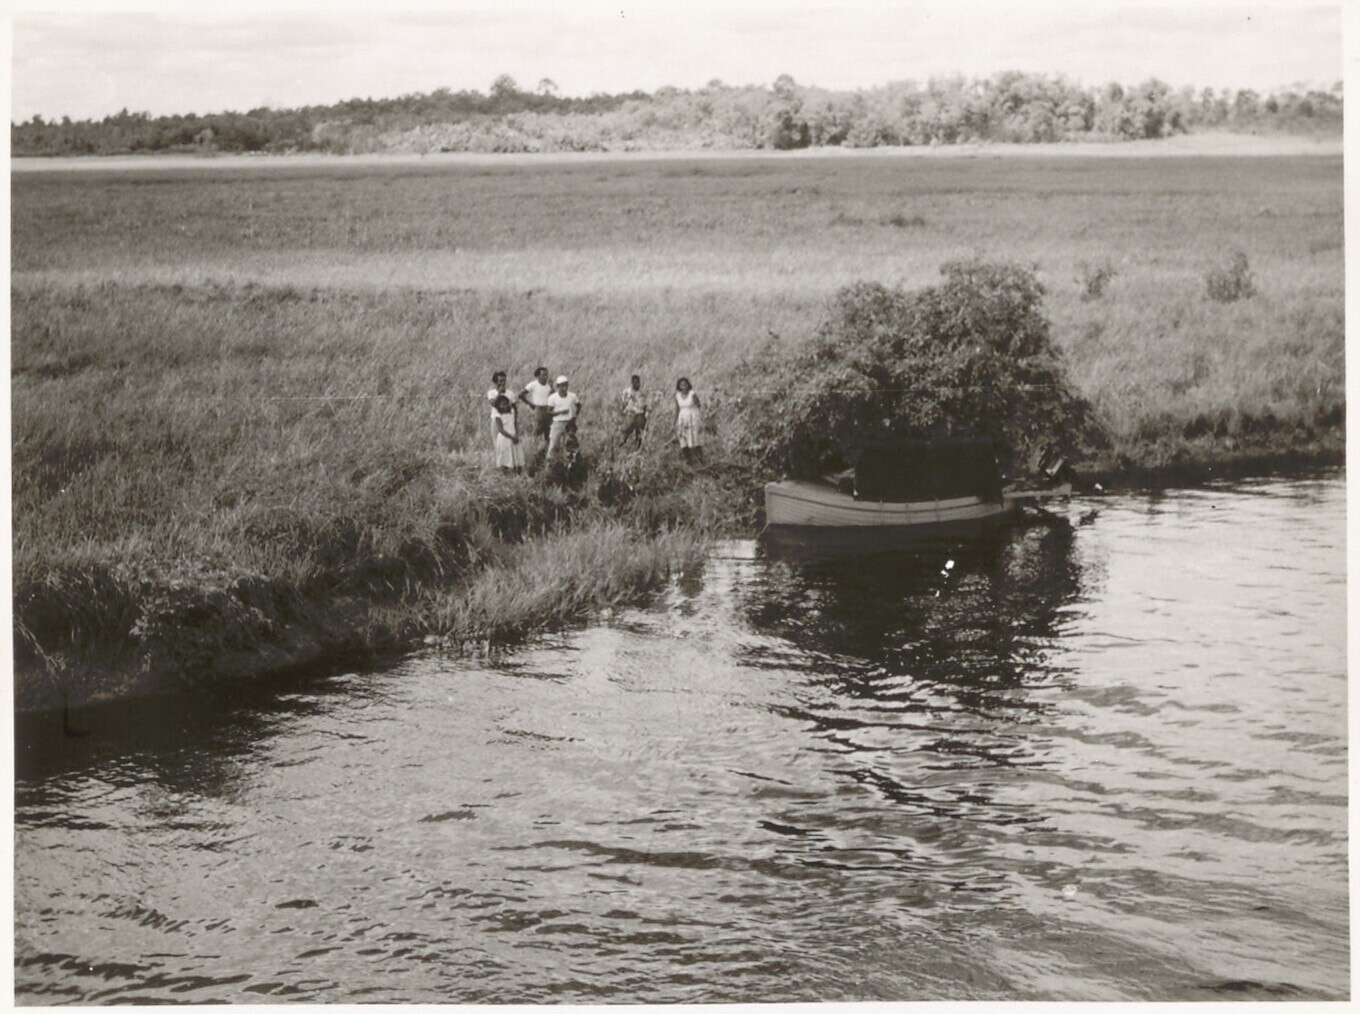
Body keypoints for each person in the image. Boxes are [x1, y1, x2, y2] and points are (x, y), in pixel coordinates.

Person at [518, 366, 554, 448]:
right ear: (538, 376)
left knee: (548, 430)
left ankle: (546, 448)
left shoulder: (548, 385)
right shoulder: (533, 384)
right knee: (537, 429)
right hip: (538, 409)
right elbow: (521, 395)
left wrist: (552, 387)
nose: (545, 377)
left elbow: (553, 396)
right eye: (543, 375)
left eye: (546, 375)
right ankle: (533, 448)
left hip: (548, 409)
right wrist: (530, 404)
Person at [547, 375, 581, 459]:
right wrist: (561, 412)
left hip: (568, 423)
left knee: (569, 444)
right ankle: (551, 461)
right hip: (557, 423)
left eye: (565, 385)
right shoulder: (553, 398)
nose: (564, 388)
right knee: (554, 444)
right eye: (561, 386)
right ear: (558, 387)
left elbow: (578, 405)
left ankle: (569, 461)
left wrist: (574, 416)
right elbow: (549, 412)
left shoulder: (572, 396)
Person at [491, 394, 524, 473]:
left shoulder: (512, 412)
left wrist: (516, 434)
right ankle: (505, 472)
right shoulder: (498, 415)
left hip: (514, 435)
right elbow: (501, 429)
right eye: (502, 404)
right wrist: (511, 437)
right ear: (498, 406)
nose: (505, 406)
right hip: (505, 437)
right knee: (505, 457)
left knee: (517, 455)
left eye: (506, 404)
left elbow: (515, 423)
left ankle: (517, 472)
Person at [674, 377, 703, 464]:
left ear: (688, 385)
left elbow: (698, 405)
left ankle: (700, 459)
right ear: (679, 386)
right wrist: (675, 421)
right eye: (681, 385)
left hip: (693, 418)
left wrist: (697, 416)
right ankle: (688, 460)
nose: (684, 387)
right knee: (683, 438)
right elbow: (677, 409)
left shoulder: (692, 394)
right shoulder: (677, 396)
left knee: (695, 438)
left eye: (685, 384)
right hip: (682, 419)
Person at [620, 374, 648, 448]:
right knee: (628, 428)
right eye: (635, 383)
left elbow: (645, 405)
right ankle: (623, 441)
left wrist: (645, 414)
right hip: (630, 413)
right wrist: (624, 411)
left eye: (638, 382)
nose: (637, 384)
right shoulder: (627, 392)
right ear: (632, 383)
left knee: (639, 428)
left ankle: (638, 444)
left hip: (639, 414)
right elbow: (623, 403)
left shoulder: (642, 392)